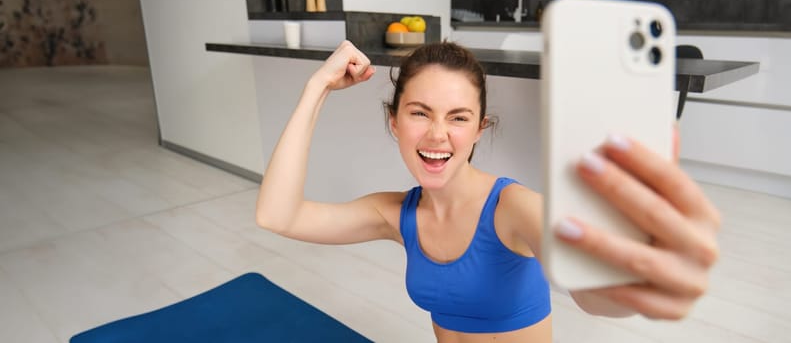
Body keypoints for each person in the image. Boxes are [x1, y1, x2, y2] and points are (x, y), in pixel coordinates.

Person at [256, 40, 721, 342]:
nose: (438, 134)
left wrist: (637, 279)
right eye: (420, 113)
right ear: (394, 123)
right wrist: (317, 87)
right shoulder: (393, 213)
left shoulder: (513, 208)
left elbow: (591, 296)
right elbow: (278, 216)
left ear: (479, 129)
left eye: (458, 117)